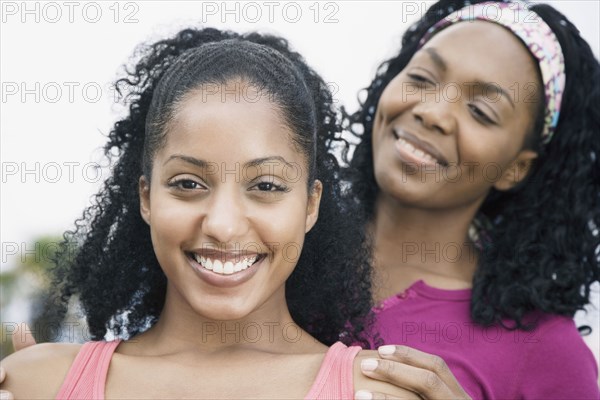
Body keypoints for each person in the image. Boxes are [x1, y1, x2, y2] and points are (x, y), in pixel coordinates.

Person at [0, 27, 423, 399]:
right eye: (188, 184)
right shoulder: (35, 384)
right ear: (146, 197)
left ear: (311, 205)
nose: (222, 225)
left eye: (266, 186)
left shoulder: (376, 393)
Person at [345, 0, 600, 398]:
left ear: (516, 167)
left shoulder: (545, 348)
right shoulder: (278, 243)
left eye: (480, 111)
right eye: (423, 78)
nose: (432, 113)